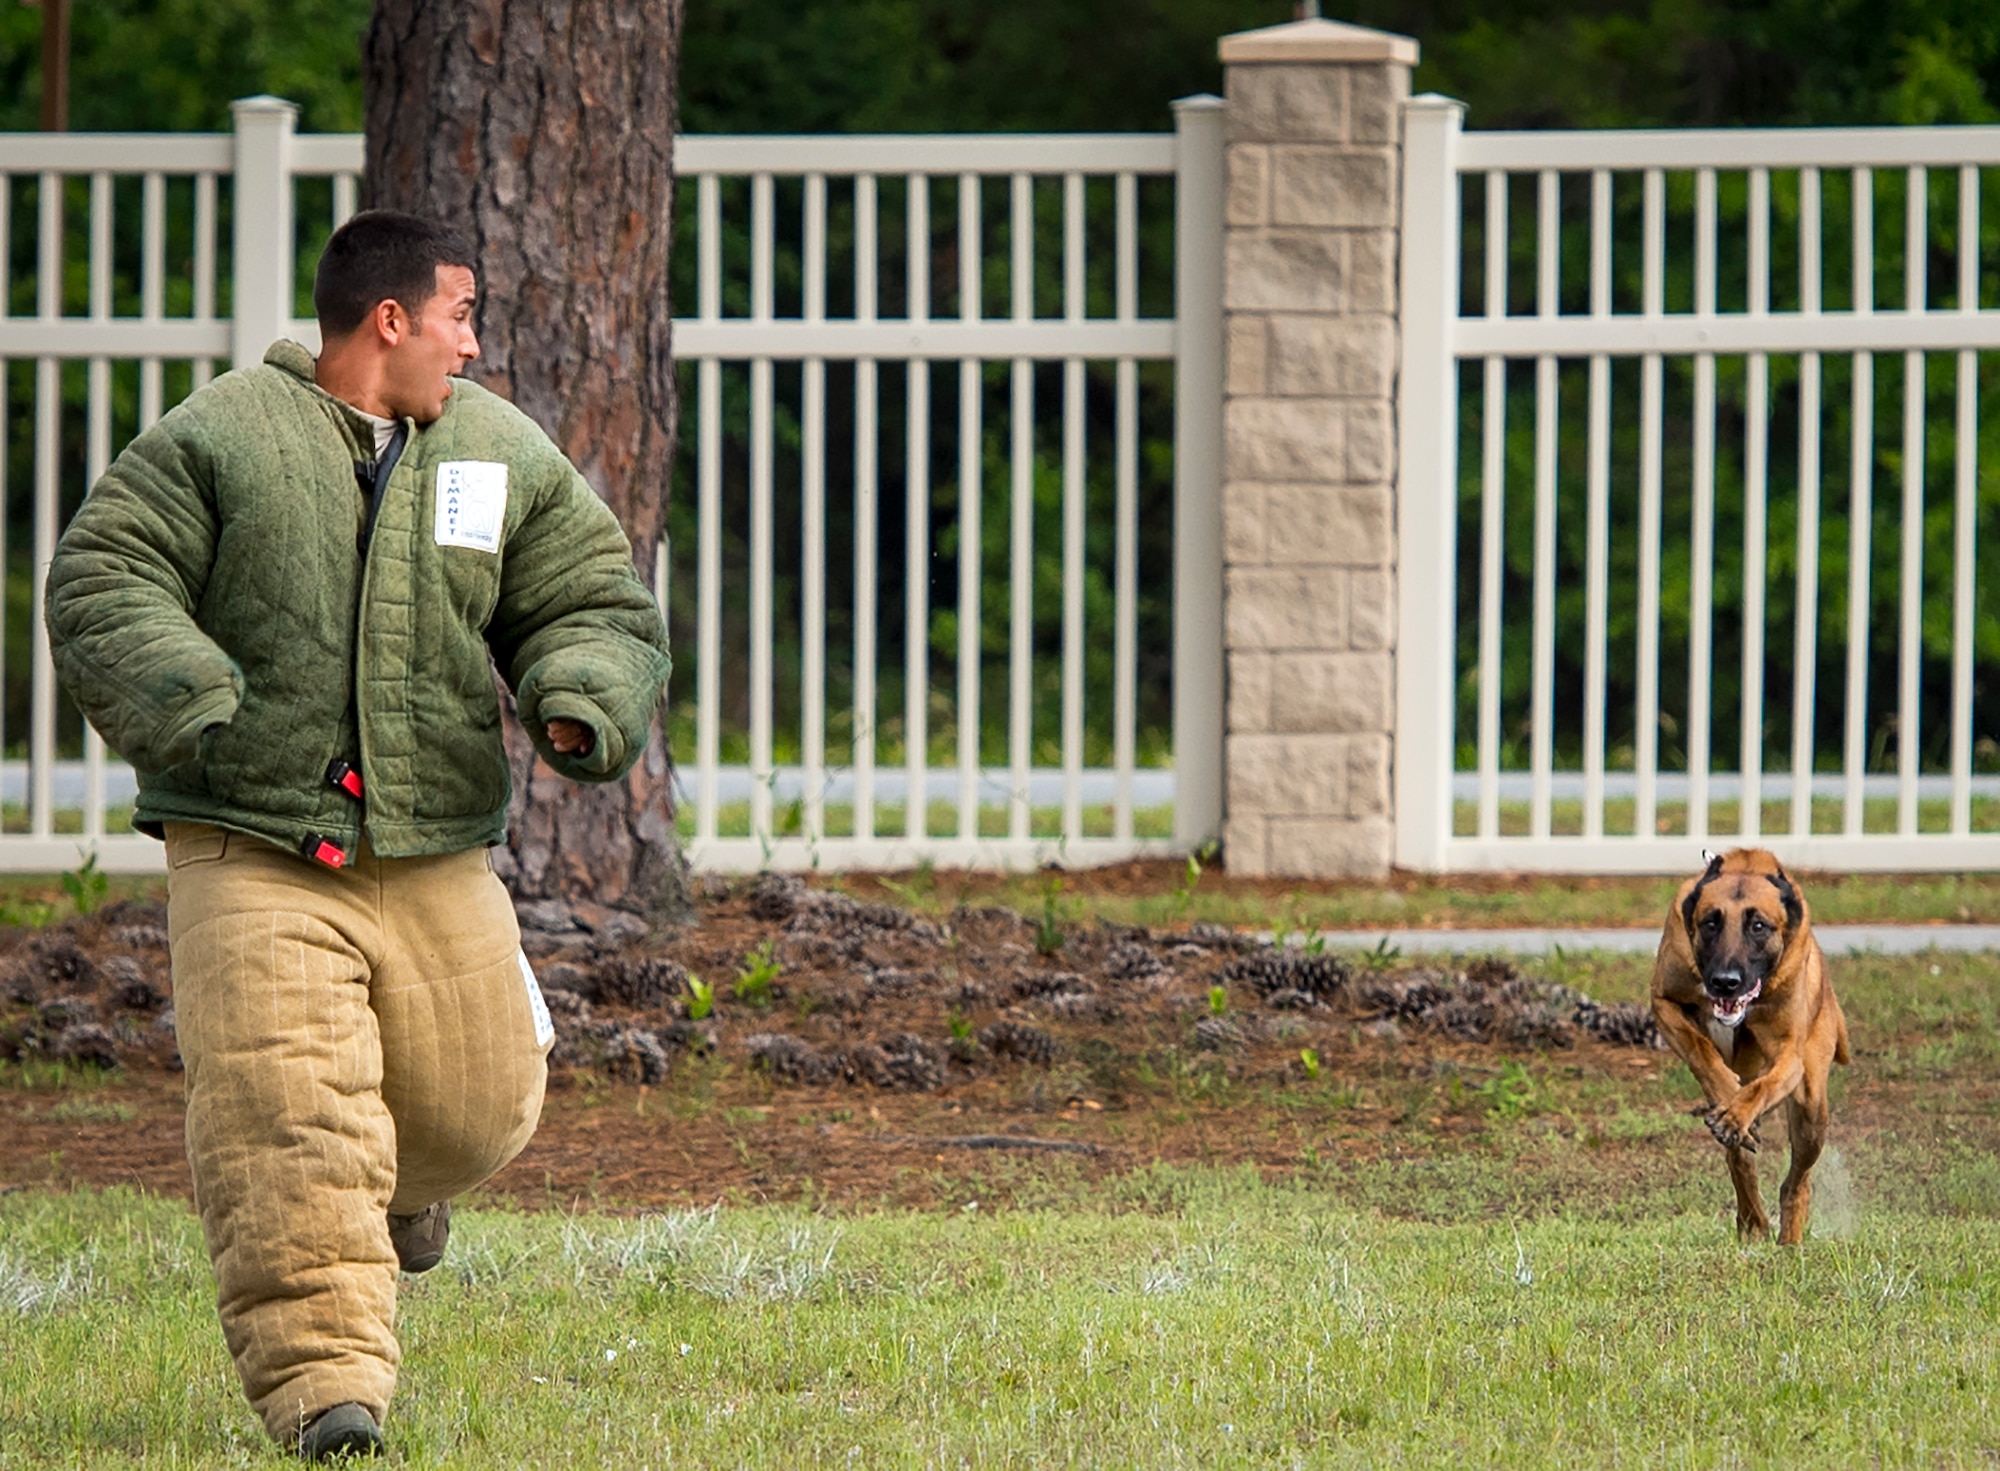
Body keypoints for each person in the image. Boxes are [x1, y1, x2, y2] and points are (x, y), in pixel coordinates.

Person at [45, 210, 672, 1460]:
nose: (476, 345)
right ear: (390, 319)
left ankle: (407, 1194)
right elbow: (104, 575)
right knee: (291, 1115)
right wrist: (186, 692)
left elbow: (591, 598)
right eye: (461, 315)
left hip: (433, 840)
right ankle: (327, 1391)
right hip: (253, 839)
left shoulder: (497, 452)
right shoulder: (219, 435)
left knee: (474, 1104)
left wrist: (577, 690)